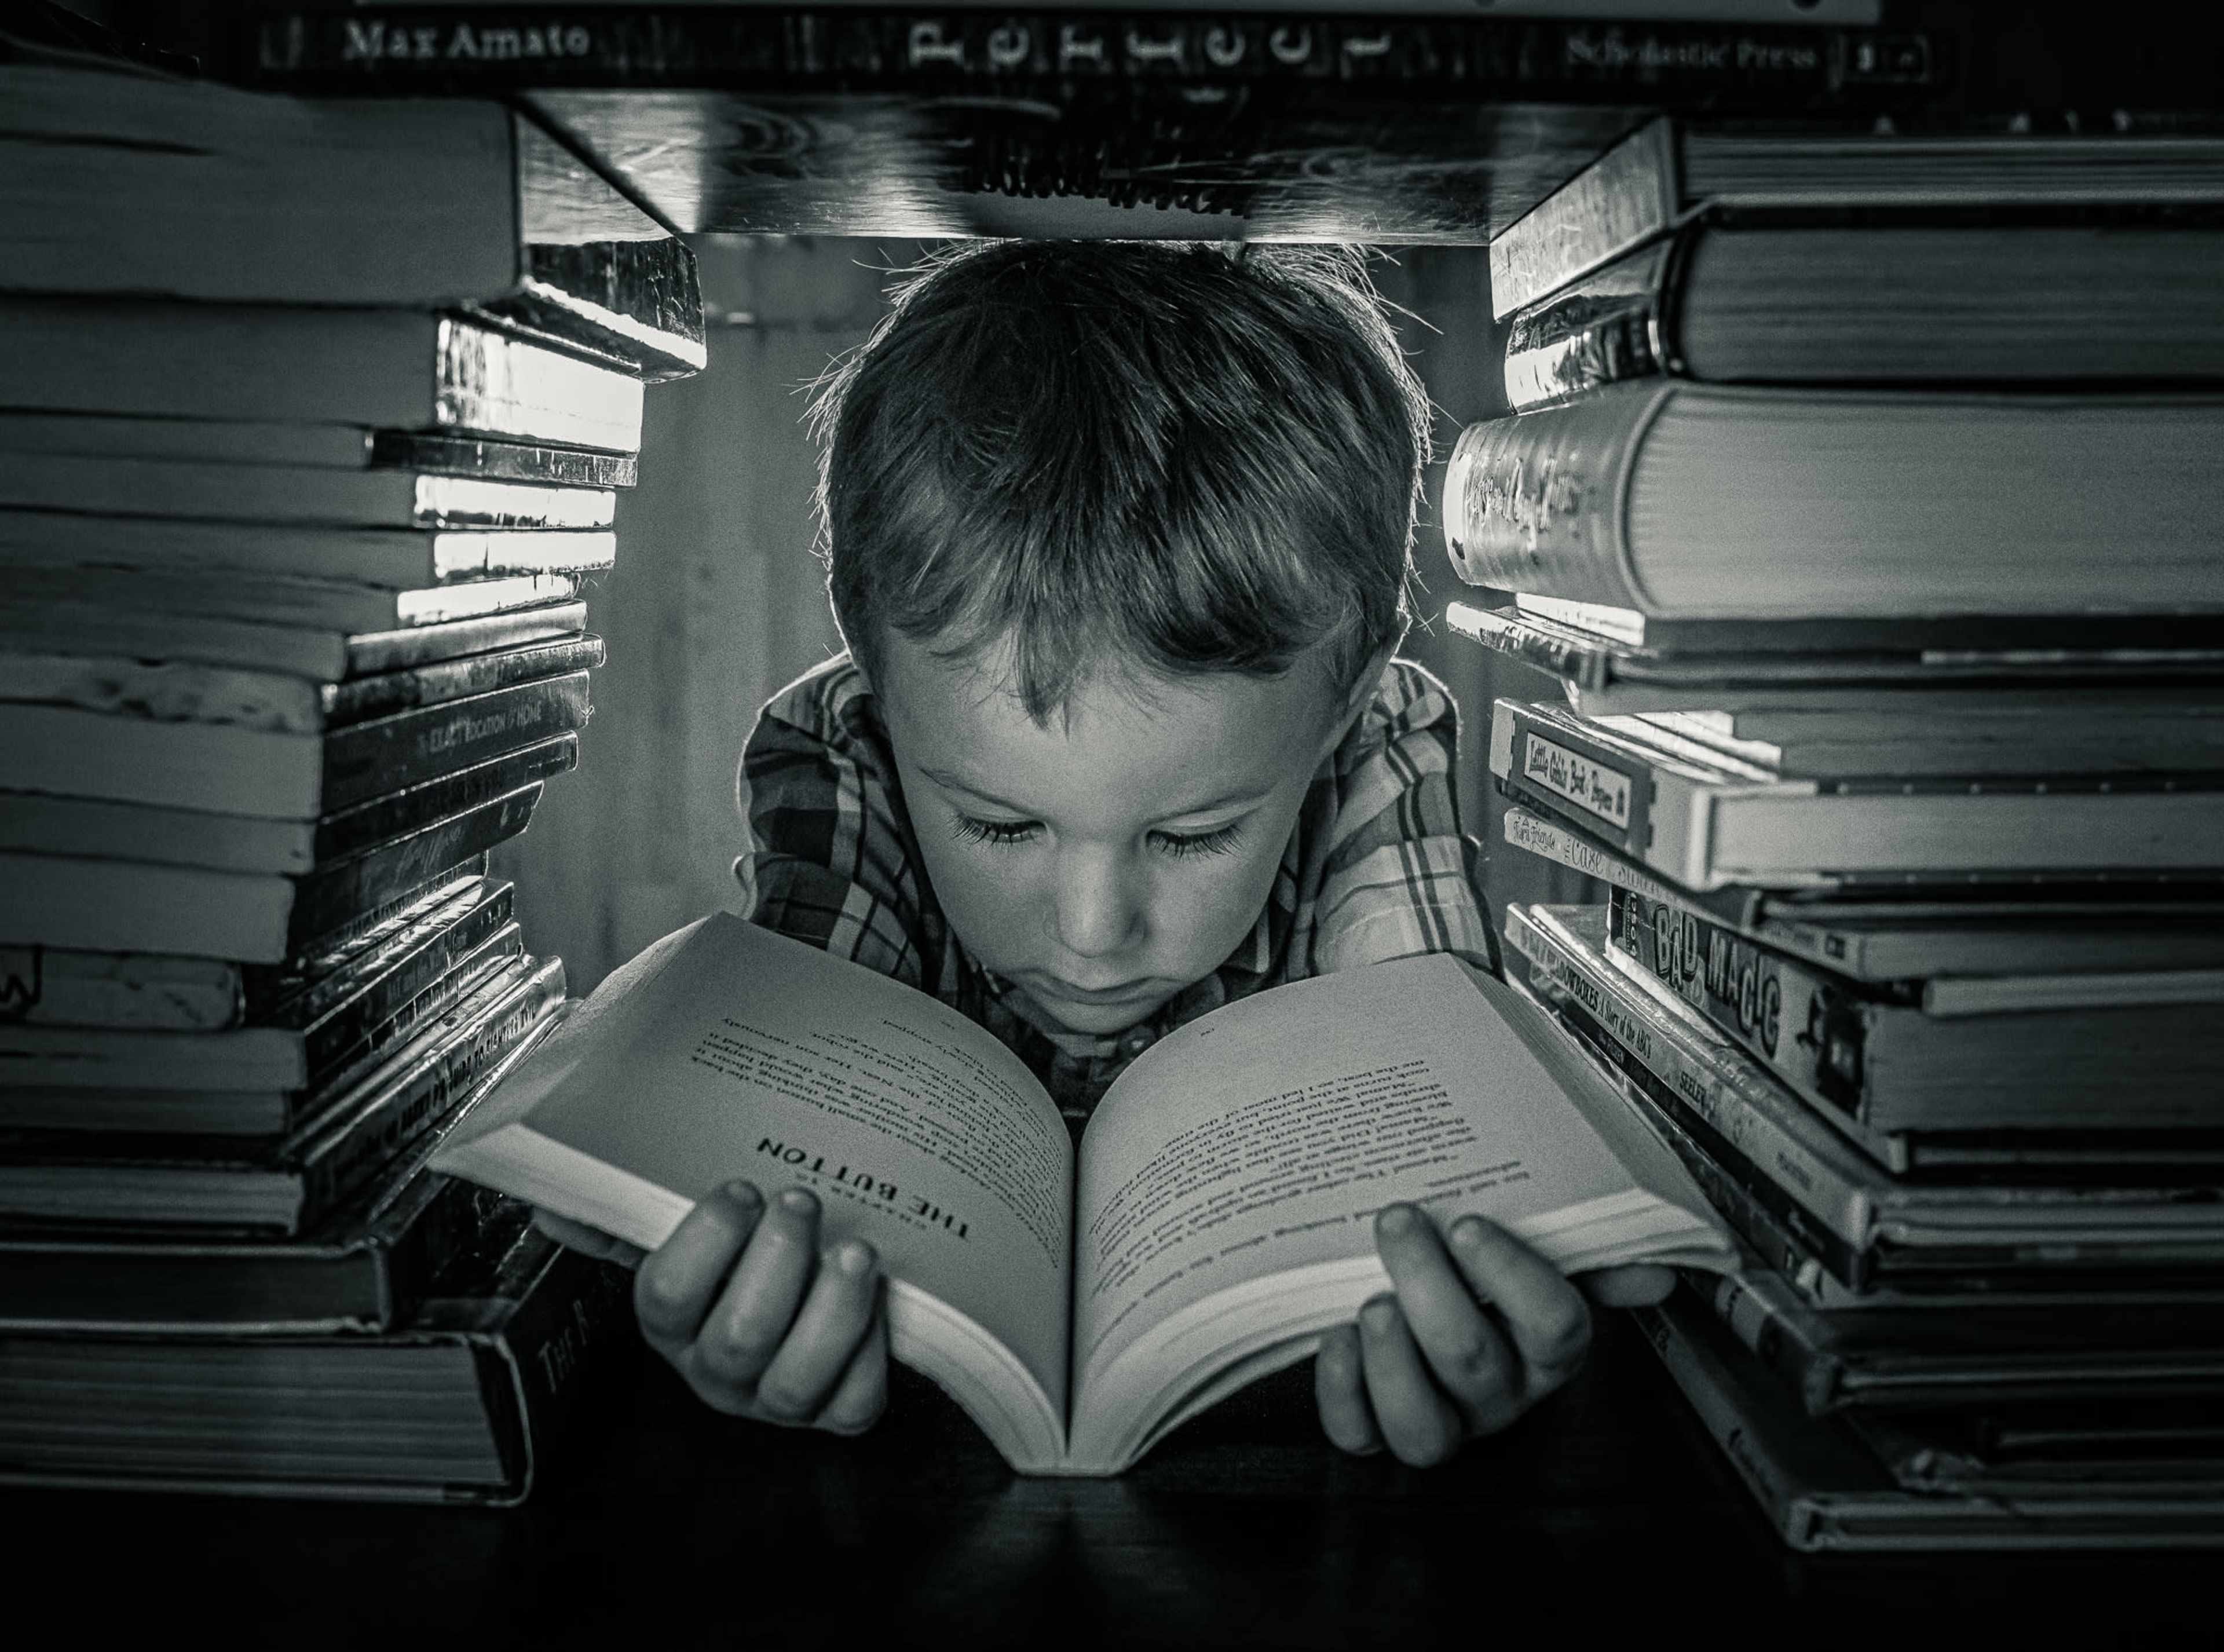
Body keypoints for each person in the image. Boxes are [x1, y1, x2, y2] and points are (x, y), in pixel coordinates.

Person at [539, 240, 1673, 1467]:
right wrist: (746, 1310)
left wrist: (1482, 1326)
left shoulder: (1375, 746)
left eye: (1192, 833)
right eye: (1001, 824)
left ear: (1345, 699)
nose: (1092, 930)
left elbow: (1443, 1110)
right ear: (875, 683)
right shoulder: (843, 756)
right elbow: (783, 1122)